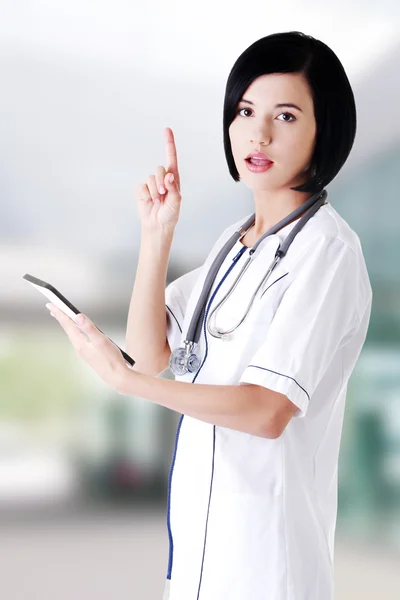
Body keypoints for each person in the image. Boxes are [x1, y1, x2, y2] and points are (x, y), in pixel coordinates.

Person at [47, 30, 372, 600]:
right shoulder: (235, 243)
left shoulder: (328, 252)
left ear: (326, 130)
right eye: (246, 110)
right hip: (200, 560)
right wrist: (157, 235)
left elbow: (268, 410)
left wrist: (129, 384)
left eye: (287, 116)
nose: (259, 132)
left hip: (269, 567)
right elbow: (153, 354)